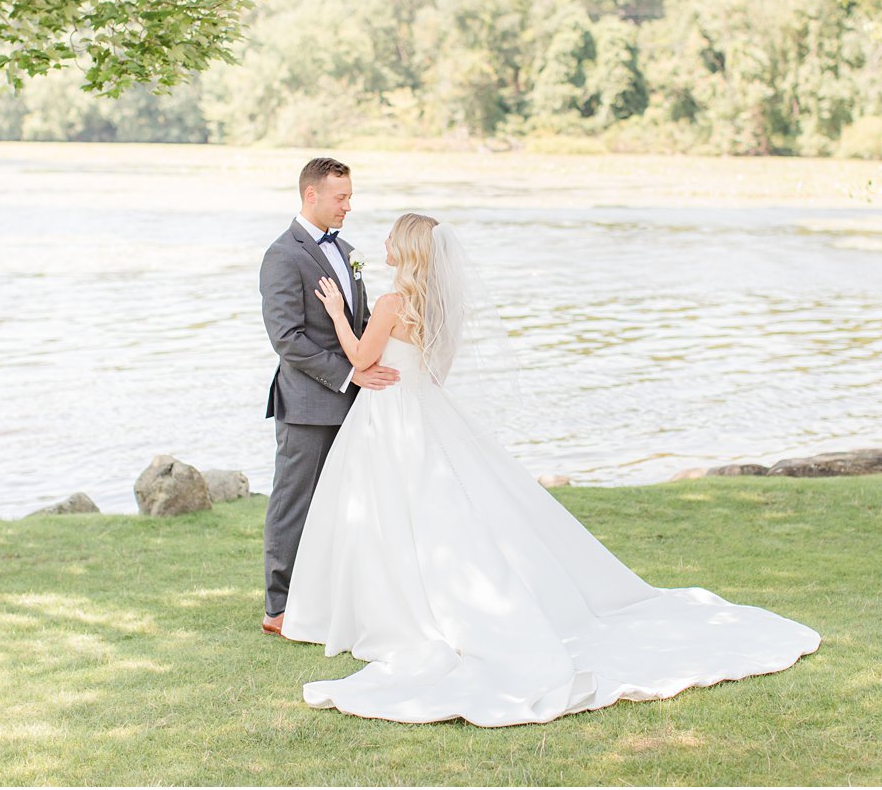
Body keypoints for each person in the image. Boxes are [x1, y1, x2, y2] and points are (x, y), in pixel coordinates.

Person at [280, 213, 822, 727]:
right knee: (439, 509)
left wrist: (333, 314)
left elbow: (360, 360)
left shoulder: (394, 301)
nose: (385, 243)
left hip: (390, 415)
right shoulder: (439, 305)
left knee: (392, 512)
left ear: (408, 249)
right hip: (423, 409)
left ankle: (395, 610)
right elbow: (435, 372)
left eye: (394, 236)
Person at [257, 157, 398, 637]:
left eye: (350, 196)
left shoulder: (347, 249)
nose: (348, 206)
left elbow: (359, 326)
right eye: (340, 197)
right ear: (311, 195)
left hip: (355, 403)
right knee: (295, 503)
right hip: (308, 406)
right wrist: (350, 376)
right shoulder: (283, 254)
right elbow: (287, 338)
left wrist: (376, 358)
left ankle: (329, 598)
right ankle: (279, 607)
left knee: (346, 504)